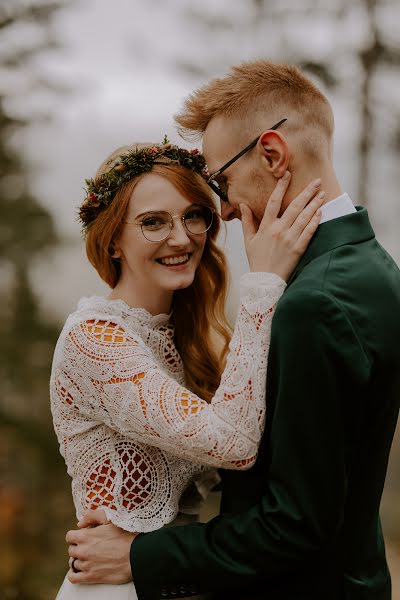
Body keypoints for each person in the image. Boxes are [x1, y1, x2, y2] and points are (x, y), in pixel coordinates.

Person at [65, 60, 400, 600]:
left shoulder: (316, 302)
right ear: (113, 241)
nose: (223, 212)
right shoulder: (373, 268)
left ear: (271, 154)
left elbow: (294, 516)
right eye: (153, 221)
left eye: (218, 185)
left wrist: (140, 555)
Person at [51, 139, 323, 600]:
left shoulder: (183, 337)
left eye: (193, 215)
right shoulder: (93, 340)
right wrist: (265, 283)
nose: (181, 237)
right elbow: (234, 444)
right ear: (113, 238)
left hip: (172, 577)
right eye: (153, 222)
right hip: (115, 587)